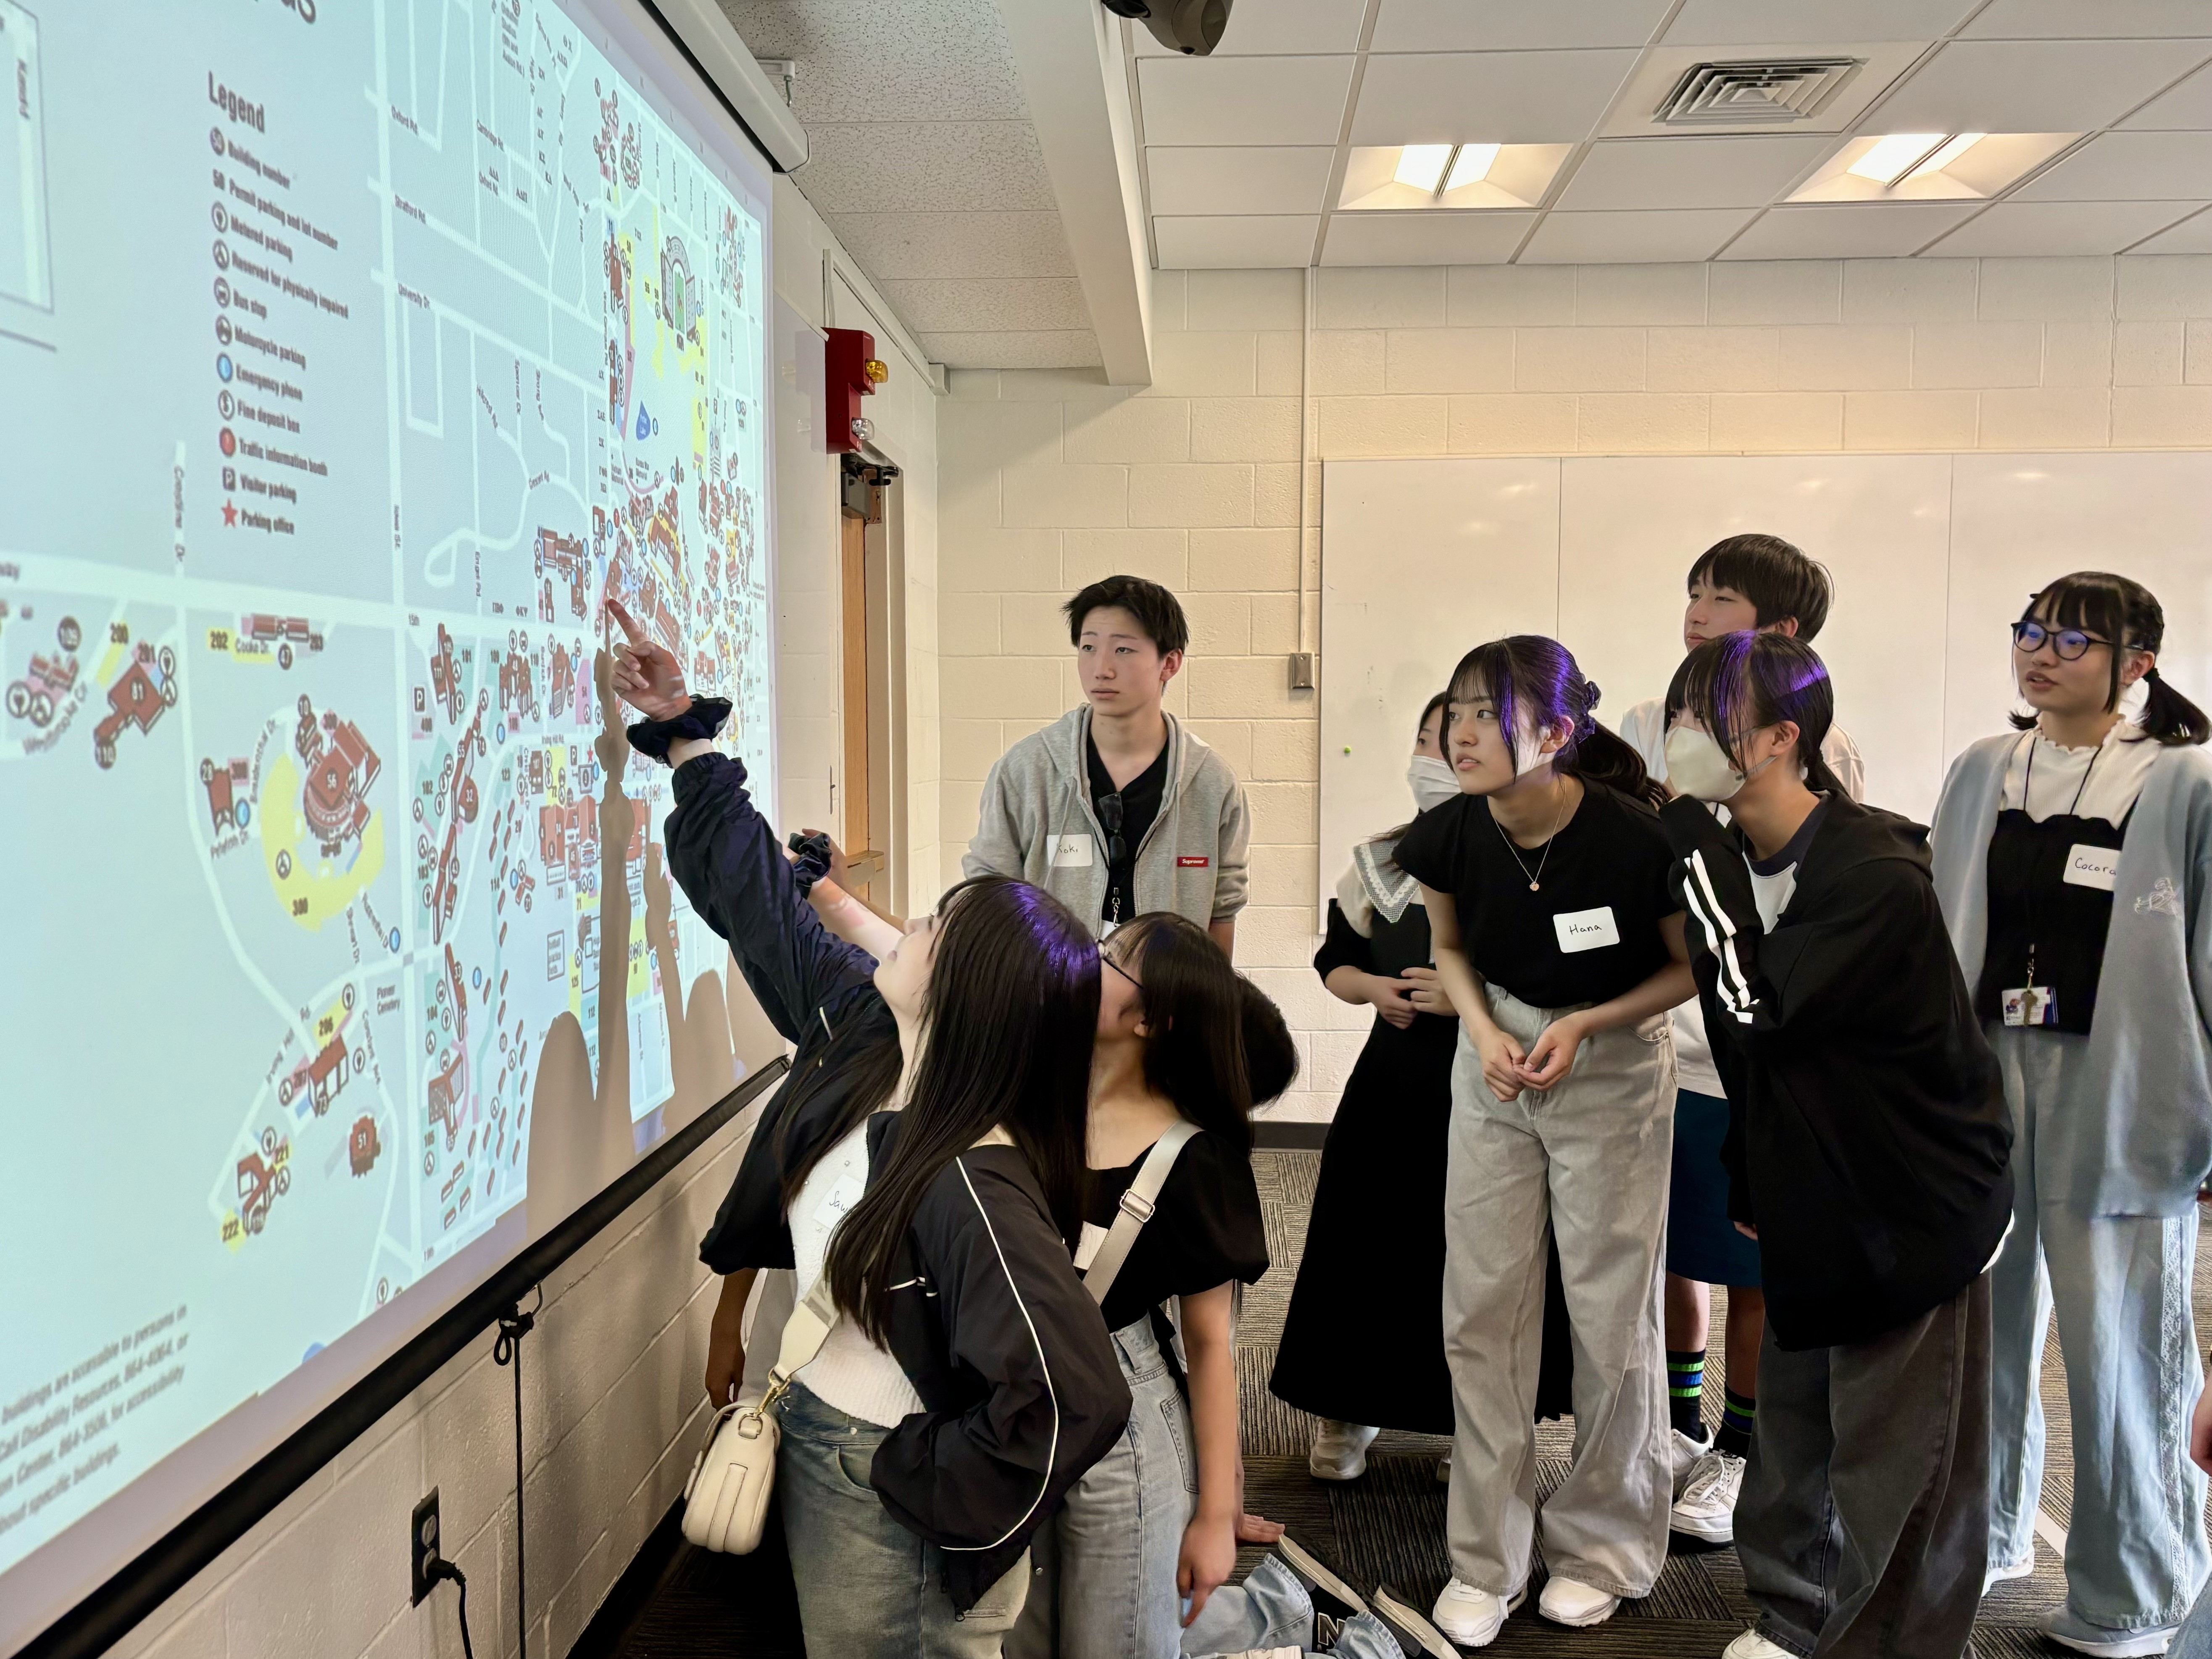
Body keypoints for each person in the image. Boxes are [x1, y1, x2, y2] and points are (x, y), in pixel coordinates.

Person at [605, 600, 1131, 1658]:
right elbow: (759, 905)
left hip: (891, 1476)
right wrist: (686, 738)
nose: (908, 922)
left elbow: (1075, 1393)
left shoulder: (971, 1170)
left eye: (937, 928)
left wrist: (916, 1473)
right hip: (828, 1436)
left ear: (967, 996)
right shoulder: (865, 1027)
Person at [1658, 629, 2013, 1659]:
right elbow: (1766, 1067)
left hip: (1913, 1210)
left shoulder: (1871, 874)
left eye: (1704, 719)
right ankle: (1792, 1613)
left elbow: (1760, 1011)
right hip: (1813, 1194)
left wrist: (1696, 860)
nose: (1680, 737)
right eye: (1679, 713)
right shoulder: (1745, 857)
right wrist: (1750, 1172)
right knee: (1795, 1437)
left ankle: (1887, 1644)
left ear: (1779, 740)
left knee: (1899, 1470)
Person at [1929, 571, 2212, 1658]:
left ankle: (2128, 1590)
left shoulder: (2180, 779)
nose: (2041, 654)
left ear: (2138, 660)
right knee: (1976, 1334)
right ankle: (1989, 1530)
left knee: (2120, 1345)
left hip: (2122, 1086)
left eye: (2075, 640)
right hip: (1986, 1082)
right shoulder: (1980, 772)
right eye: (2030, 632)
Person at [1390, 636, 1695, 1647]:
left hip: (1608, 1068)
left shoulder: (1635, 840)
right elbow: (1449, 947)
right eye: (1459, 711)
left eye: (1490, 714)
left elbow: (1684, 972)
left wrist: (1584, 1026)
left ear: (1558, 734)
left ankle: (1602, 1548)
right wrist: (1483, 1031)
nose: (1463, 733)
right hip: (1492, 1066)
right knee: (1482, 1310)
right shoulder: (1449, 834)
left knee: (1611, 1316)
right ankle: (1487, 1559)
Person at [1614, 532, 1864, 1545]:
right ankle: (1677, 1425)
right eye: (1693, 592)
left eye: (1721, 598)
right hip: (1656, 1048)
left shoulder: (1817, 749)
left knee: (1755, 1265)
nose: (1696, 609)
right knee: (1670, 1251)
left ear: (1784, 632)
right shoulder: (1644, 725)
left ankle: (1742, 1448)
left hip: (1752, 1058)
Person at [1270, 694, 1578, 1483]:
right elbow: (1333, 961)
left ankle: (1465, 1431)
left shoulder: (1535, 858)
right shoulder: (1379, 858)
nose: (1440, 750)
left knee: (1478, 1261)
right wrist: (1371, 989)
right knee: (1364, 1243)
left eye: (1460, 735)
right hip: (1392, 1090)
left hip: (1494, 1089)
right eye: (1426, 734)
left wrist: (1469, 1003)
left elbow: (1564, 973)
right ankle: (1348, 1411)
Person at [1009, 914, 1287, 1658]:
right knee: (1031, 1635)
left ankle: (1287, 1624)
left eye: (1113, 960)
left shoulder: (1192, 1160)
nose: (1089, 961)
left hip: (1125, 1420)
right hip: (1017, 1399)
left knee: (1115, 1641)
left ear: (1150, 1021)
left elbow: (1209, 1346)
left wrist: (1214, 1511)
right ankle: (1267, 1620)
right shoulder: (1033, 1100)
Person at [965, 574, 1249, 949]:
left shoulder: (1212, 784)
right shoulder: (1026, 771)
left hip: (1164, 997)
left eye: (1123, 650)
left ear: (1170, 663)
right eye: (1088, 648)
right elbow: (989, 891)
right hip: (1048, 995)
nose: (1101, 669)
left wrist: (1209, 1006)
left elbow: (1222, 909)